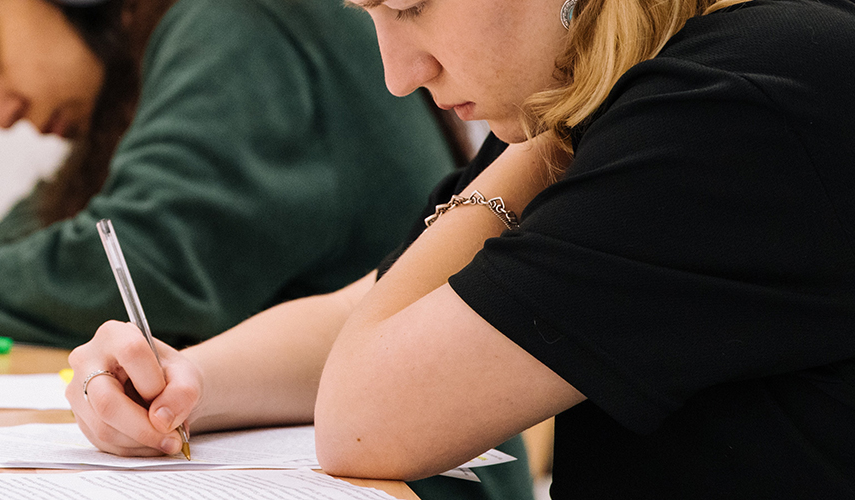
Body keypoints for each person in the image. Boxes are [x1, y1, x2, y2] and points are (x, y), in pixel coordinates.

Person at [67, 0, 855, 497]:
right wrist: (182, 379)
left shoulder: (738, 96)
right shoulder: (615, 90)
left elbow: (366, 416)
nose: (398, 75)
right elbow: (379, 313)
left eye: (411, 8)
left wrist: (544, 144)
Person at [0, 0, 461, 352]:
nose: (2, 114)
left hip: (409, 483)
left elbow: (140, 269)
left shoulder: (237, 21)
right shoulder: (158, 57)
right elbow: (29, 242)